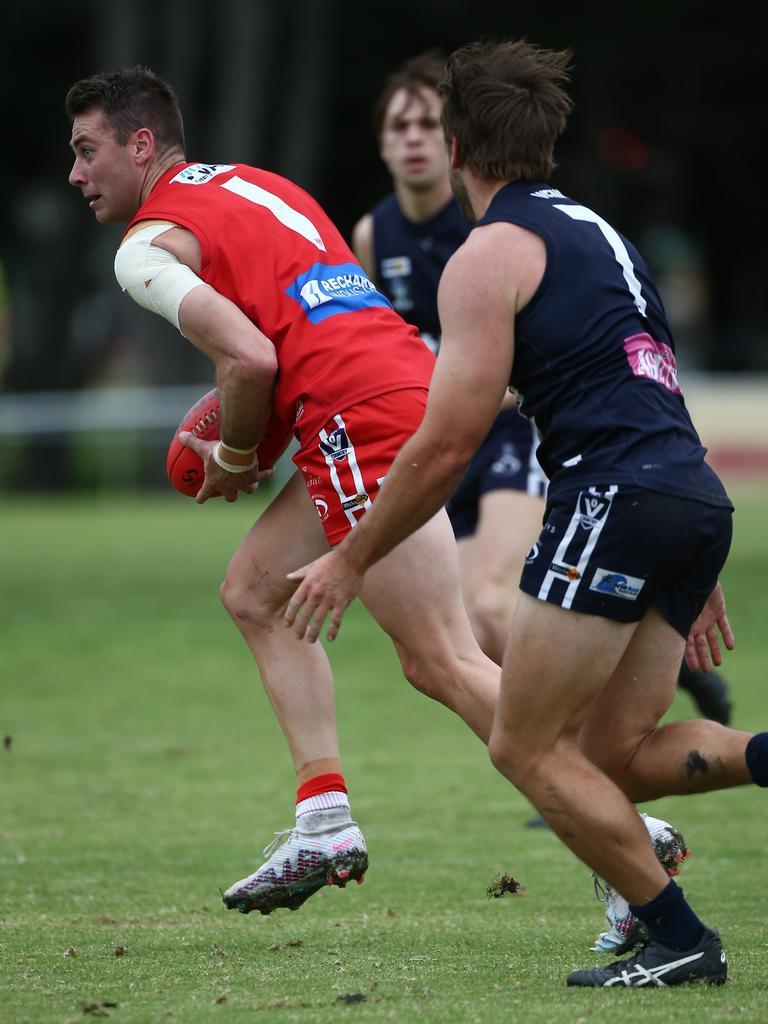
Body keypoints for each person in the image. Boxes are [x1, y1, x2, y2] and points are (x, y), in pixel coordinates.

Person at [284, 39, 768, 987]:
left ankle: (678, 938)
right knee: (611, 756)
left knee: (522, 742)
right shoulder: (601, 232)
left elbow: (446, 442)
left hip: (615, 494)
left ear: (459, 145)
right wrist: (692, 553)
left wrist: (351, 556)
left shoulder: (485, 257)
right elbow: (653, 381)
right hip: (686, 491)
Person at [65, 64, 503, 917]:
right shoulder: (253, 183)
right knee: (255, 591)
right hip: (396, 388)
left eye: (88, 151)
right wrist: (262, 434)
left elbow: (251, 359)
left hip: (353, 419)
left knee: (441, 660)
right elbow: (299, 322)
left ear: (141, 143)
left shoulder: (143, 248)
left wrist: (232, 454)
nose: (77, 174)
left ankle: (618, 822)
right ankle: (323, 817)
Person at [352, 50, 546, 666]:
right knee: (470, 625)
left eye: (426, 126)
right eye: (397, 127)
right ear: (381, 144)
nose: (412, 140)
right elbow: (371, 352)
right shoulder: (371, 236)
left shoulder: (491, 225)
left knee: (491, 604)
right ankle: (613, 691)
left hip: (515, 429)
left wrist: (484, 390)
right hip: (439, 443)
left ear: (453, 141)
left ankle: (593, 733)